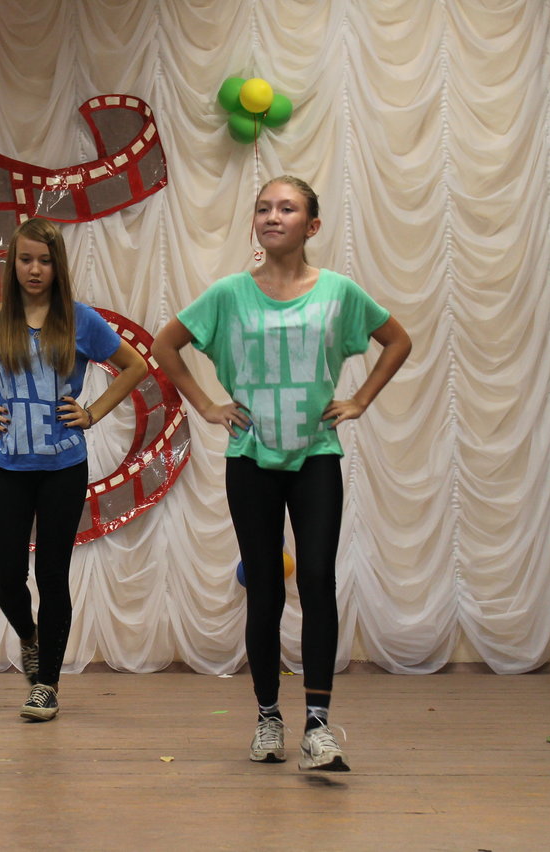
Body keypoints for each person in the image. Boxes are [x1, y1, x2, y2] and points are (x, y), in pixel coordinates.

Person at [152, 176, 411, 771]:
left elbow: (397, 341)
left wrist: (360, 400)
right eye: (264, 207)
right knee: (265, 585)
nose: (273, 216)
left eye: (287, 208)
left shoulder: (339, 292)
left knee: (316, 579)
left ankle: (318, 726)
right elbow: (166, 346)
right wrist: (208, 405)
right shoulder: (228, 294)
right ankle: (268, 717)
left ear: (311, 226)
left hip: (315, 455)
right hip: (250, 459)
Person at [0, 218, 148, 721]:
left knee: (52, 575)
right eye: (26, 259)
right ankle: (29, 638)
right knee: (6, 579)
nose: (34, 269)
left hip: (63, 468)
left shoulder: (79, 320)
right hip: (7, 467)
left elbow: (135, 365)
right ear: (13, 265)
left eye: (45, 261)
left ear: (57, 267)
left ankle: (46, 683)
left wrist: (92, 412)